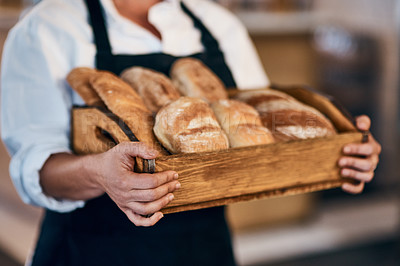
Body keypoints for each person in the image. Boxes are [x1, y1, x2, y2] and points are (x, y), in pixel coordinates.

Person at [1, 0, 381, 265]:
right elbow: (37, 170)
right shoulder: (48, 25)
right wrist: (101, 172)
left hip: (206, 246)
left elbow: (259, 134)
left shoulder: (217, 21)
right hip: (93, 248)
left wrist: (337, 151)